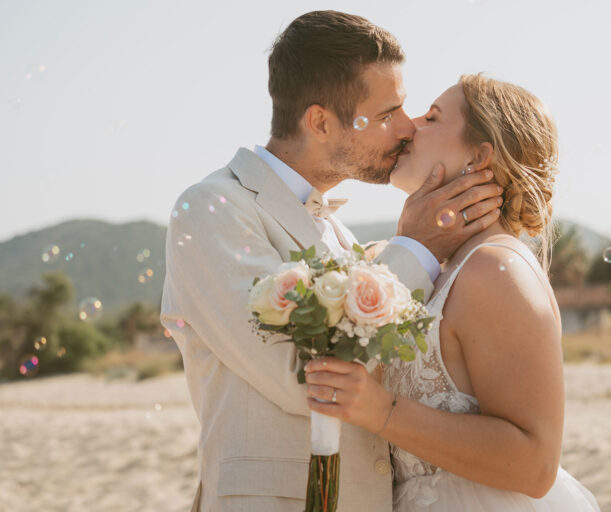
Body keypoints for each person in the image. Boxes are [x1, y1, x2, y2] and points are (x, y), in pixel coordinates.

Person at [160, 11, 502, 512]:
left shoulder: (338, 232)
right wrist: (417, 246)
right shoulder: (216, 210)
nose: (406, 128)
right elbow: (306, 380)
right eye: (388, 113)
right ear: (320, 121)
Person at [304, 74, 601, 511]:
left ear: (478, 157)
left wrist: (381, 410)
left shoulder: (495, 270)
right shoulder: (438, 270)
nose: (408, 126)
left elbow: (535, 464)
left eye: (432, 117)